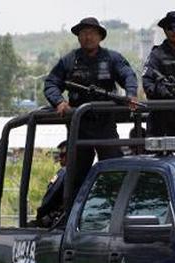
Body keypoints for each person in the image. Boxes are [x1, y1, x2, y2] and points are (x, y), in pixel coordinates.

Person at [43, 17, 138, 186]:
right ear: (78, 37)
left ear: (100, 37)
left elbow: (128, 75)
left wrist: (131, 94)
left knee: (113, 172)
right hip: (79, 126)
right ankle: (73, 209)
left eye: (92, 33)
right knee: (77, 176)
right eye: (84, 33)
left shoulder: (112, 58)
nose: (88, 37)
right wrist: (59, 102)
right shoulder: (69, 60)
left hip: (105, 124)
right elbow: (51, 83)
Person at [33, 141, 67, 228]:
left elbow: (50, 198)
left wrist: (41, 216)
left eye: (62, 155)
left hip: (57, 221)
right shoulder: (86, 173)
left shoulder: (64, 172)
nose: (60, 158)